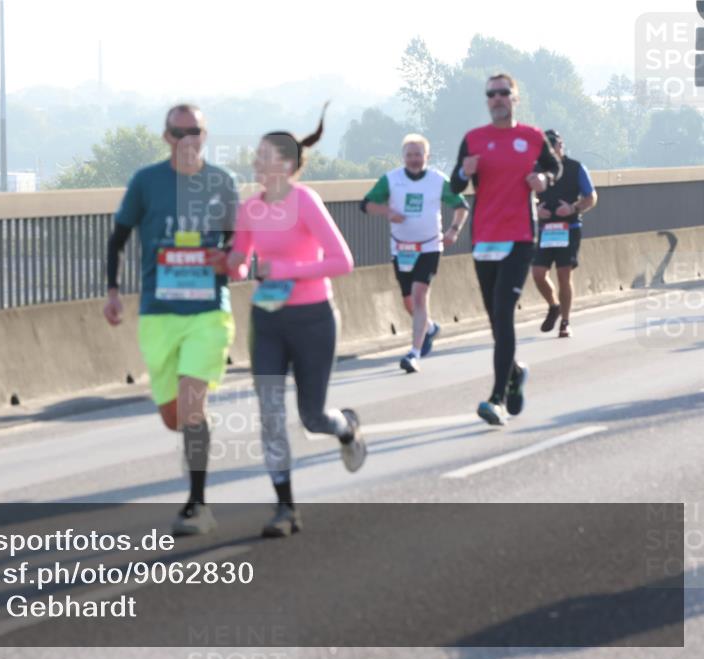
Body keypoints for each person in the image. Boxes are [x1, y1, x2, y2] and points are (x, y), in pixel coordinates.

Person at [227, 105, 366, 538]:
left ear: (286, 165)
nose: (255, 163)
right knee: (270, 414)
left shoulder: (306, 201)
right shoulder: (249, 208)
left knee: (311, 417)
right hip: (267, 321)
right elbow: (240, 266)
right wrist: (226, 260)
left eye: (264, 156)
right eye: (255, 156)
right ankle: (285, 508)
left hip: (312, 319)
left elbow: (343, 261)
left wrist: (283, 271)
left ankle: (344, 427)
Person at [104, 104, 238, 536]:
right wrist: (111, 292)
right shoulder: (146, 182)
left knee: (193, 406)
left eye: (194, 131)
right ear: (166, 137)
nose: (187, 139)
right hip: (158, 313)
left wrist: (230, 259)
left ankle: (197, 504)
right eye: (179, 132)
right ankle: (193, 447)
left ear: (205, 134)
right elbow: (119, 237)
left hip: (208, 312)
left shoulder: (222, 182)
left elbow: (239, 243)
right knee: (172, 416)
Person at [450, 73, 562, 426]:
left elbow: (554, 167)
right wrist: (463, 172)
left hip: (519, 238)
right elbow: (455, 183)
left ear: (515, 98)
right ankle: (514, 374)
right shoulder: (473, 139)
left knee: (503, 313)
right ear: (487, 101)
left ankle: (497, 398)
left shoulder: (531, 137)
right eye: (491, 94)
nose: (497, 98)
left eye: (503, 93)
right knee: (494, 319)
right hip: (484, 238)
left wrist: (544, 180)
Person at [361, 134, 470, 373]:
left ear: (427, 157)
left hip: (429, 247)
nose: (414, 159)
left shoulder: (437, 180)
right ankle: (429, 328)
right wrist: (386, 211)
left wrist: (453, 231)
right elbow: (366, 204)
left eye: (418, 155)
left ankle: (414, 354)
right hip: (401, 249)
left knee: (420, 296)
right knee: (408, 301)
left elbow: (462, 207)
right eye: (409, 155)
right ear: (403, 157)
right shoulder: (391, 179)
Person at [532, 129, 598, 338]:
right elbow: (524, 196)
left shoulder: (576, 168)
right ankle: (554, 305)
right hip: (545, 230)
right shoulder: (536, 169)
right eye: (548, 146)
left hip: (568, 229)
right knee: (538, 274)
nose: (553, 149)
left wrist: (572, 208)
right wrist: (535, 209)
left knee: (563, 275)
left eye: (556, 145)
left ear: (562, 146)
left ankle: (565, 322)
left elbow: (591, 197)